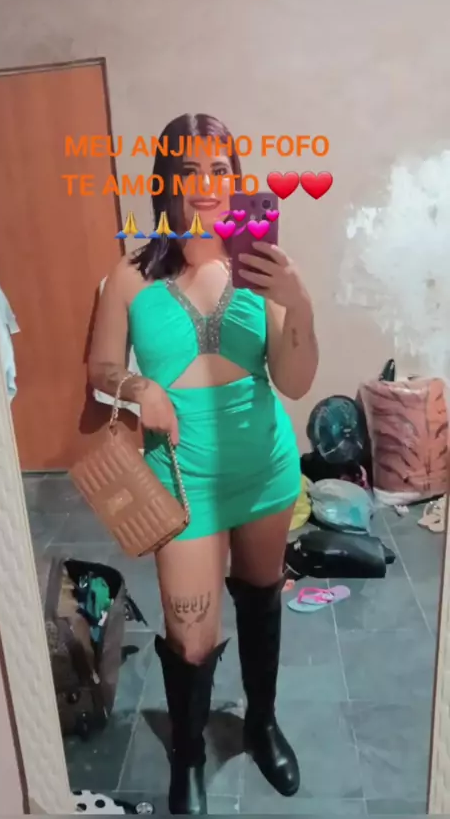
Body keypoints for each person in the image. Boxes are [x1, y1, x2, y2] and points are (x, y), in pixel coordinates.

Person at [88, 113, 319, 815]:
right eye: (188, 171)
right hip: (181, 483)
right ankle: (187, 755)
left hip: (265, 470)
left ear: (236, 180)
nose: (206, 185)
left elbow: (296, 382)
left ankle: (261, 723)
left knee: (262, 596)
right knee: (191, 636)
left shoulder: (259, 268)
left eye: (219, 170)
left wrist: (298, 302)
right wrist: (139, 388)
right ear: (165, 183)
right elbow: (98, 370)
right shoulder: (129, 276)